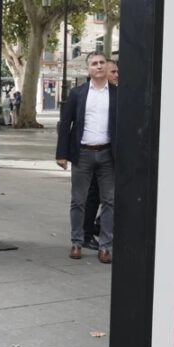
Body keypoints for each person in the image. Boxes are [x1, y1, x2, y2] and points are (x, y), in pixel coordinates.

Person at [56, 52, 116, 263]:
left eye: (102, 63)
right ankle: (76, 242)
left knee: (109, 201)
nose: (99, 66)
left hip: (108, 154)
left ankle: (105, 246)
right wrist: (61, 154)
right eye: (94, 63)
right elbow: (65, 124)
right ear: (88, 69)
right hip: (82, 154)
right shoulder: (78, 94)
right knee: (78, 200)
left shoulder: (117, 94)